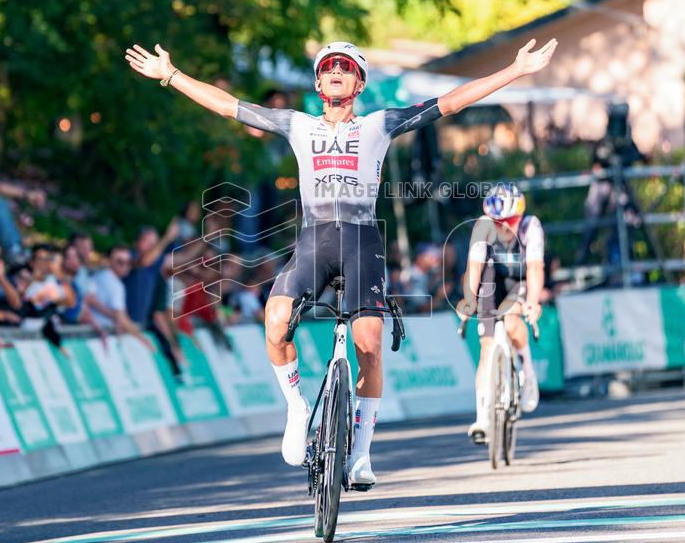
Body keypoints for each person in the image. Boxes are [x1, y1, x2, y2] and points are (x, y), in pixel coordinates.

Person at [126, 34, 557, 486]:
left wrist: (514, 70)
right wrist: (171, 76)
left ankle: (361, 455)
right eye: (328, 66)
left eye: (345, 67)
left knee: (368, 343)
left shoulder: (378, 125)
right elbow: (228, 106)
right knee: (275, 322)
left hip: (362, 241)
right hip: (313, 240)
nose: (336, 71)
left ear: (359, 82)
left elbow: (448, 103)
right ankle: (297, 409)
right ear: (317, 82)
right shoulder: (298, 125)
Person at [456, 184, 544, 444]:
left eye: (509, 222)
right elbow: (474, 268)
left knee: (514, 319)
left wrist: (532, 302)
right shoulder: (484, 226)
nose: (504, 228)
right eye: (499, 222)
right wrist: (468, 301)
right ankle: (483, 417)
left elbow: (536, 269)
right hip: (492, 279)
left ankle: (527, 370)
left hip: (517, 280)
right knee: (486, 347)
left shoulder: (531, 227)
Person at [85, 244, 155, 350]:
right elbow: (121, 318)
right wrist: (143, 340)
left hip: (94, 334)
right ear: (109, 261)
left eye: (129, 262)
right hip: (99, 336)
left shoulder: (101, 276)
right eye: (120, 262)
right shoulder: (115, 284)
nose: (125, 266)